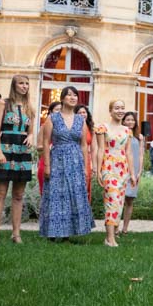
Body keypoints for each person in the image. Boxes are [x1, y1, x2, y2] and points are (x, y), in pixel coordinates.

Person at [38, 86, 93, 241]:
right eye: (69, 95)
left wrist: (85, 167)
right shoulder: (52, 118)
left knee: (72, 195)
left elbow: (84, 145)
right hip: (57, 159)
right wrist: (47, 166)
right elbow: (46, 142)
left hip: (76, 160)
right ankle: (53, 232)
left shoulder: (80, 119)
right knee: (56, 194)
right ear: (62, 98)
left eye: (75, 95)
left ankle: (68, 233)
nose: (73, 98)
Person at [0, 75, 35, 245]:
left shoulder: (29, 106)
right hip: (6, 149)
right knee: (0, 193)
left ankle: (16, 234)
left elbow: (31, 130)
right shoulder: (3, 103)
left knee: (18, 195)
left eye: (27, 83)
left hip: (22, 151)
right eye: (21, 83)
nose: (25, 86)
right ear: (14, 85)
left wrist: (30, 136)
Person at [95, 99, 138, 247]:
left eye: (122, 108)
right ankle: (110, 238)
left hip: (122, 169)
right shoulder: (103, 128)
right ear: (110, 110)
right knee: (111, 199)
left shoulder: (127, 131)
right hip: (108, 166)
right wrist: (98, 170)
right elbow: (100, 150)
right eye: (117, 108)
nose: (120, 111)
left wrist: (132, 174)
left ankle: (111, 236)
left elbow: (129, 153)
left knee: (119, 202)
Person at [121, 111, 144, 235]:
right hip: (122, 168)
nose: (130, 122)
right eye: (127, 120)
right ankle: (115, 227)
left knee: (130, 200)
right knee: (119, 198)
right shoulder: (121, 134)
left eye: (132, 120)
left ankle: (125, 228)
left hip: (134, 170)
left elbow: (140, 155)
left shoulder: (139, 137)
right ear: (123, 121)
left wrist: (139, 171)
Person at [37, 101, 61, 195]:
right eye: (57, 110)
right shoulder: (44, 126)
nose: (59, 112)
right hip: (47, 162)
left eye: (61, 110)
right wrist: (50, 147)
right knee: (46, 195)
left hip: (61, 163)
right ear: (51, 112)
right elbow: (39, 147)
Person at [76, 104, 95, 201]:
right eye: (79, 113)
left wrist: (94, 165)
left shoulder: (90, 127)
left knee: (86, 184)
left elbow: (93, 148)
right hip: (74, 157)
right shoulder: (73, 126)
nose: (82, 114)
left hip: (86, 158)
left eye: (84, 112)